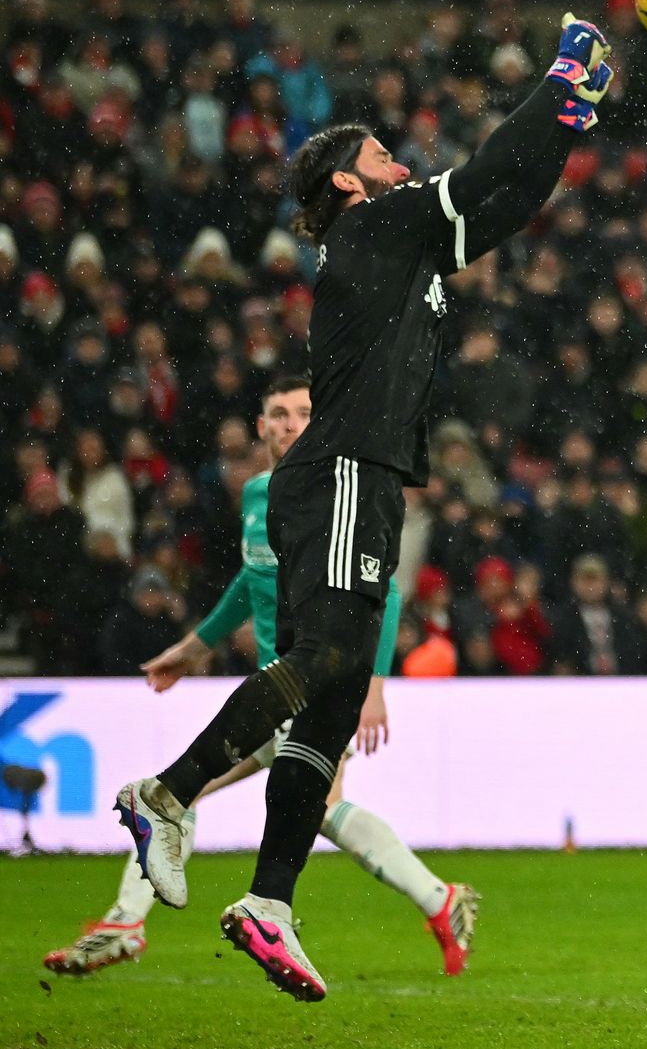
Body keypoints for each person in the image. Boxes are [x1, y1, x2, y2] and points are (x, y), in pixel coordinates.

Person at [109, 15, 613, 1002]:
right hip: (342, 470)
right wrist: (563, 78)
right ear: (347, 182)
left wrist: (570, 121)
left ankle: (269, 901)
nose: (401, 164)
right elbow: (490, 164)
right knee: (327, 661)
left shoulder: (405, 248)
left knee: (331, 707)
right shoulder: (376, 226)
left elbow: (514, 196)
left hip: (366, 478)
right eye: (383, 156)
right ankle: (165, 795)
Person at [45, 376, 478, 980]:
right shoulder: (258, 494)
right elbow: (252, 581)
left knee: (203, 794)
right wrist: (193, 648)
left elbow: (385, 593)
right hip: (276, 689)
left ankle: (127, 920)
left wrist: (374, 688)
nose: (290, 424)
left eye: (303, 412)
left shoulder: (337, 490)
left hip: (319, 683)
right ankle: (439, 899)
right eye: (278, 413)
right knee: (284, 803)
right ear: (261, 426)